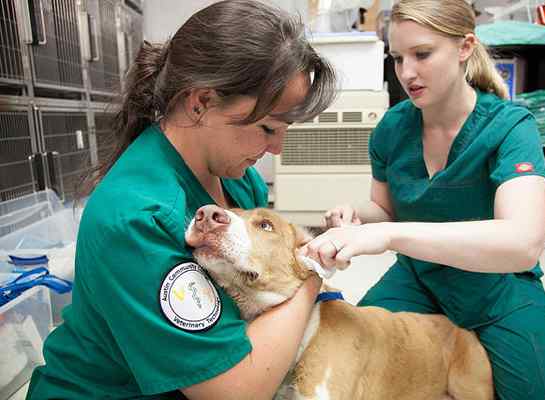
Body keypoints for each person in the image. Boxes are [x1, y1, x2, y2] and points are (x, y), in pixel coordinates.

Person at [26, 1, 335, 399]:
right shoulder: (136, 218)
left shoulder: (238, 183)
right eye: (267, 127)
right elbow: (234, 391)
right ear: (201, 102)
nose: (277, 148)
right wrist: (311, 275)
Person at [301, 0, 545, 399]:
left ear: (464, 48)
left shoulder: (510, 127)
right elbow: (386, 210)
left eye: (422, 54)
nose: (407, 73)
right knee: (357, 359)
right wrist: (358, 217)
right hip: (419, 278)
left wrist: (389, 235)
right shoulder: (392, 128)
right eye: (397, 58)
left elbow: (523, 245)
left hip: (496, 288)